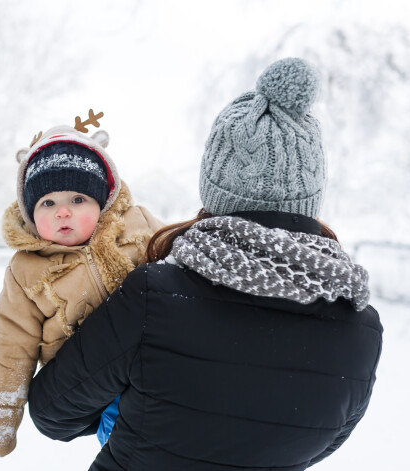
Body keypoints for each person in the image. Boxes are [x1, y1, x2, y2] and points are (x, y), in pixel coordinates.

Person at [27, 58, 383, 470]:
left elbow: (53, 412)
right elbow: (324, 444)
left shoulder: (154, 296)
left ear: (215, 187)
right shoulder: (362, 327)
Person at [0, 112, 164, 457]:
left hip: (158, 361)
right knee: (131, 443)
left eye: (78, 200)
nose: (62, 212)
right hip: (93, 384)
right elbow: (12, 342)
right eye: (48, 203)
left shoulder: (137, 224)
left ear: (102, 201)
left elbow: (181, 253)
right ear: (30, 213)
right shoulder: (25, 271)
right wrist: (1, 410)